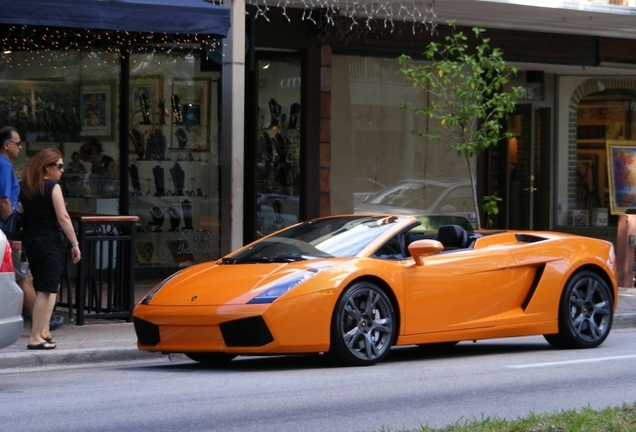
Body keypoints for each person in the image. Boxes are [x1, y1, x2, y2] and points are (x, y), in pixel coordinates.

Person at [0, 127, 65, 334]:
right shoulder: (4, 166)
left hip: (21, 234)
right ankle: (41, 326)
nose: (20, 147)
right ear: (6, 145)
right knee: (26, 278)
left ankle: (41, 326)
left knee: (27, 278)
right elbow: (4, 202)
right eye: (17, 143)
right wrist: (15, 232)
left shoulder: (13, 172)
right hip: (13, 233)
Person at [20, 148, 81, 350]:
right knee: (46, 290)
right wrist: (74, 243)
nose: (62, 170)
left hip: (31, 241)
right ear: (47, 167)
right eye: (59, 166)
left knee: (48, 286)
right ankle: (35, 336)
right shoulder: (52, 187)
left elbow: (22, 213)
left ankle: (44, 330)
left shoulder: (26, 187)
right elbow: (63, 217)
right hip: (48, 241)